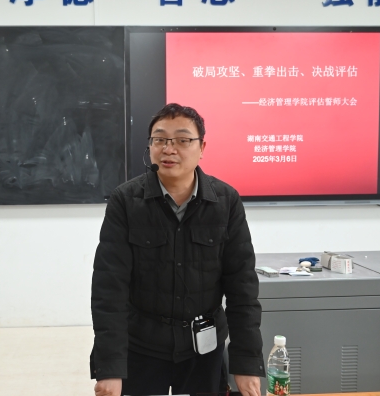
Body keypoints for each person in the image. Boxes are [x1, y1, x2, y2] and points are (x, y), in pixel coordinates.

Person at [90, 103, 264, 396]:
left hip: (204, 351)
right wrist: (110, 368)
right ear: (150, 146)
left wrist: (246, 362)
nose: (169, 149)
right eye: (160, 139)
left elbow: (242, 288)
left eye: (182, 140)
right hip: (141, 347)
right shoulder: (125, 201)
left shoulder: (226, 201)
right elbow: (109, 290)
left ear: (202, 147)